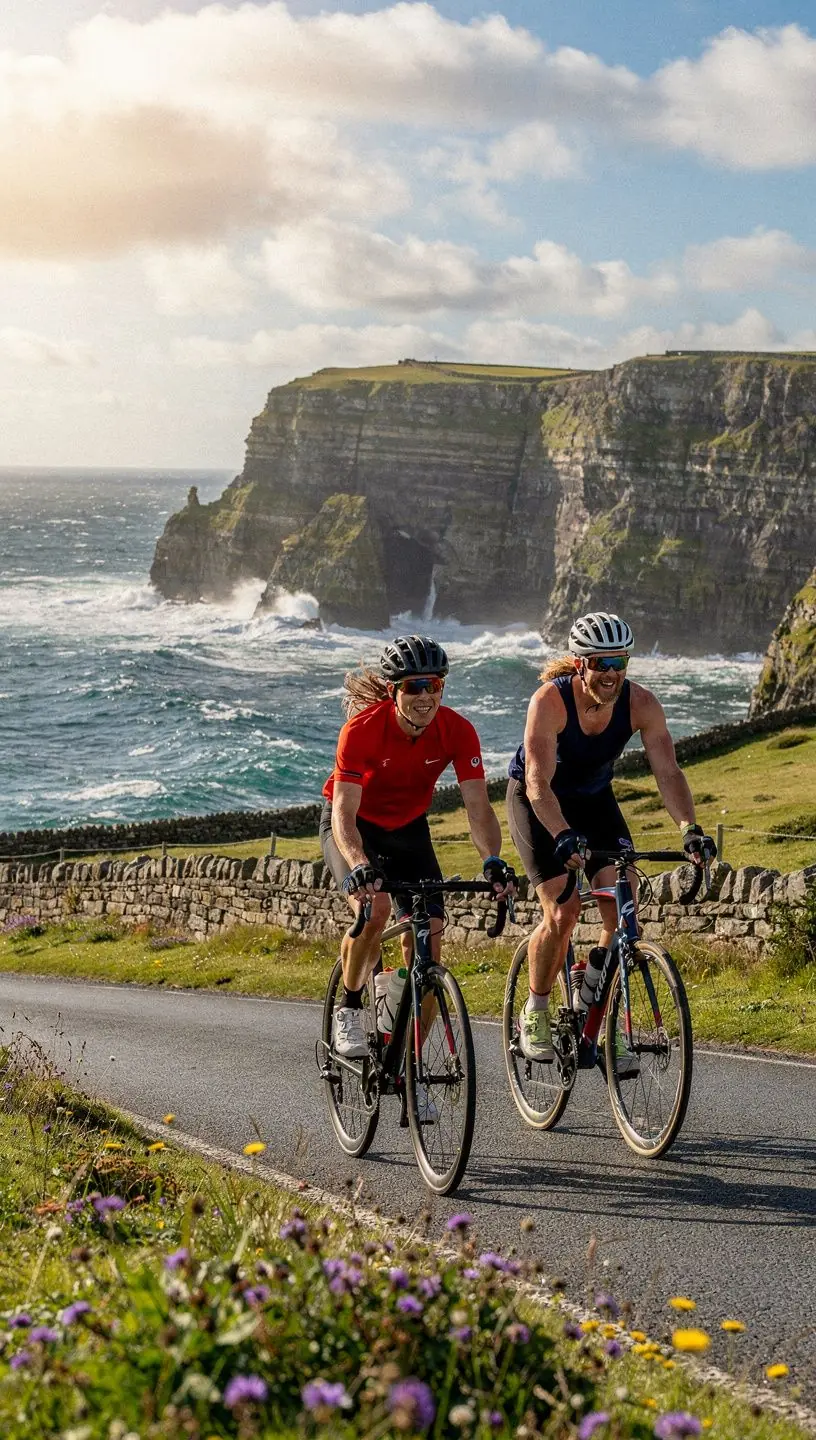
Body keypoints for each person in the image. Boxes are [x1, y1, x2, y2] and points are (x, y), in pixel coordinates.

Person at [506, 611, 716, 1067]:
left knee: (622, 908)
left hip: (594, 800)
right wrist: (561, 835)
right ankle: (536, 1010)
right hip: (538, 802)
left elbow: (668, 772)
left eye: (619, 661)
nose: (611, 672)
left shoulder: (641, 704)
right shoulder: (550, 701)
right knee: (562, 911)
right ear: (580, 664)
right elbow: (539, 784)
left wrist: (690, 829)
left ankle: (592, 1006)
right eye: (601, 663)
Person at [321, 634, 516, 1097]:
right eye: (414, 686)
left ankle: (406, 1067)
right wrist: (359, 863)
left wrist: (492, 859)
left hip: (409, 830)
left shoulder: (458, 730)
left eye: (434, 685)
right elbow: (343, 815)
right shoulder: (362, 731)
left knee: (428, 946)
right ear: (395, 692)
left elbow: (478, 808)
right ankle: (349, 1006)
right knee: (378, 908)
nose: (426, 696)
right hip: (355, 827)